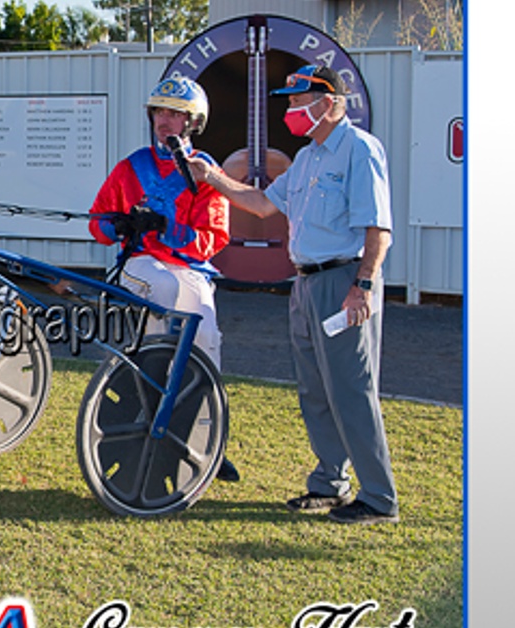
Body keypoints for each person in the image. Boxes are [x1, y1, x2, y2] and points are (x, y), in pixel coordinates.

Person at [185, 65, 398, 525]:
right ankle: (331, 484)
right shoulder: (307, 158)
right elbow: (262, 204)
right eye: (289, 102)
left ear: (329, 103)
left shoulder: (359, 150)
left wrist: (362, 285)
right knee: (316, 389)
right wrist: (213, 177)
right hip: (304, 283)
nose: (290, 110)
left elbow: (378, 229)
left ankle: (379, 498)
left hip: (343, 281)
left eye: (298, 101)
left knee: (351, 389)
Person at [87, 75, 238, 482]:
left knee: (204, 330)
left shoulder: (206, 172)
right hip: (142, 267)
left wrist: (166, 228)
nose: (164, 121)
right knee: (167, 295)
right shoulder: (130, 168)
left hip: (189, 269)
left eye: (175, 114)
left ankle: (209, 441)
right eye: (160, 112)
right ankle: (144, 418)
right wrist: (120, 226)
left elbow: (213, 239)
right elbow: (97, 223)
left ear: (193, 122)